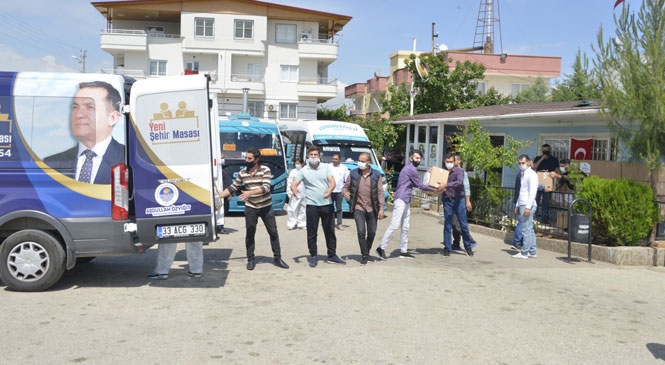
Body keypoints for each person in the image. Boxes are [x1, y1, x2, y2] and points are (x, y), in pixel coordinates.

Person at [218, 147, 289, 271]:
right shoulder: (242, 173)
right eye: (246, 157)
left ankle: (277, 258)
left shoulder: (265, 170)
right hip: (251, 207)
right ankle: (250, 259)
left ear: (257, 159)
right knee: (250, 233)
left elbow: (266, 188)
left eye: (249, 158)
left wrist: (249, 193)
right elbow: (233, 187)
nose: (247, 160)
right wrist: (217, 197)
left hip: (266, 207)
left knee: (273, 232)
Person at [44, 81, 124, 184]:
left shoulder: (128, 160)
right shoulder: (52, 164)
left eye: (90, 107)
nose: (79, 114)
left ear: (112, 118)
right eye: (75, 107)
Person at [376, 149, 444, 260]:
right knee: (395, 224)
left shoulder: (409, 168)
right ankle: (381, 247)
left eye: (420, 158)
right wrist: (435, 187)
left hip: (405, 198)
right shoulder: (411, 169)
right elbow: (420, 185)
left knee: (406, 226)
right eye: (417, 158)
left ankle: (403, 250)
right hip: (402, 198)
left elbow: (416, 184)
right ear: (411, 158)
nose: (418, 160)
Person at [290, 146, 346, 267]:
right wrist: (294, 189)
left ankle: (332, 255)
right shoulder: (304, 170)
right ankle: (313, 255)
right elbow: (294, 183)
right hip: (312, 205)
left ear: (319, 156)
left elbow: (333, 182)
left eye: (316, 155)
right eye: (311, 155)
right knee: (312, 232)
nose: (314, 157)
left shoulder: (326, 168)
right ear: (308, 156)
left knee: (330, 231)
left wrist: (330, 190)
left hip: (327, 205)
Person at [342, 152, 385, 265]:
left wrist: (381, 208)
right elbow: (345, 187)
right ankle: (364, 255)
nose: (360, 163)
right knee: (361, 232)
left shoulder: (376, 175)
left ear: (368, 162)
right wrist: (345, 193)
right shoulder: (354, 173)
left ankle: (367, 251)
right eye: (359, 160)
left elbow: (380, 192)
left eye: (362, 161)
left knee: (372, 232)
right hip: (358, 207)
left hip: (372, 208)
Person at [441, 154, 475, 257]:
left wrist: (447, 185)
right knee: (448, 225)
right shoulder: (443, 172)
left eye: (451, 161)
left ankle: (468, 247)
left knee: (463, 224)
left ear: (454, 161)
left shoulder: (460, 172)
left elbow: (459, 183)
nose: (449, 164)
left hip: (459, 200)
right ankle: (447, 248)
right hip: (447, 200)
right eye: (447, 161)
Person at [513, 154, 539, 259]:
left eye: (523, 163)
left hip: (528, 204)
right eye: (519, 163)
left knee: (526, 230)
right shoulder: (523, 174)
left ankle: (524, 252)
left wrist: (528, 207)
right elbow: (522, 191)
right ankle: (532, 251)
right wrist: (517, 205)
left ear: (528, 162)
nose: (521, 165)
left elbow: (532, 192)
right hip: (523, 203)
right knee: (529, 229)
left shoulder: (531, 174)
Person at [451, 153, 478, 251]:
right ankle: (456, 243)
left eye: (453, 161)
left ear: (459, 161)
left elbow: (467, 188)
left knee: (458, 225)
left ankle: (471, 241)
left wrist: (468, 202)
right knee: (454, 224)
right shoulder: (452, 172)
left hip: (460, 201)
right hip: (452, 200)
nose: (451, 163)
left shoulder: (463, 173)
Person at [532, 143, 559, 224]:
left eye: (547, 150)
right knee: (535, 200)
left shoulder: (554, 159)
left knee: (546, 202)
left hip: (548, 182)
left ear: (549, 150)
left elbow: (557, 170)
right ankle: (533, 218)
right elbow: (535, 167)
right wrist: (542, 158)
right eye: (544, 150)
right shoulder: (538, 158)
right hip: (539, 182)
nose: (545, 151)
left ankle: (544, 219)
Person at [330, 153, 349, 230]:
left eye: (336, 159)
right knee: (329, 208)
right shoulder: (328, 167)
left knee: (339, 208)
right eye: (333, 159)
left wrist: (346, 190)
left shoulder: (343, 168)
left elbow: (347, 179)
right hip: (330, 190)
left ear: (339, 160)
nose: (334, 160)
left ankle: (339, 223)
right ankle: (330, 223)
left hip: (339, 191)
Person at [286, 158, 306, 230]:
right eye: (296, 163)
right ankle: (291, 224)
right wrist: (289, 192)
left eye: (299, 163)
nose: (297, 165)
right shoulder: (293, 172)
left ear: (302, 164)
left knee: (303, 209)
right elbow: (289, 182)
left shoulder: (305, 171)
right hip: (294, 193)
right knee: (292, 209)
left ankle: (302, 223)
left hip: (304, 193)